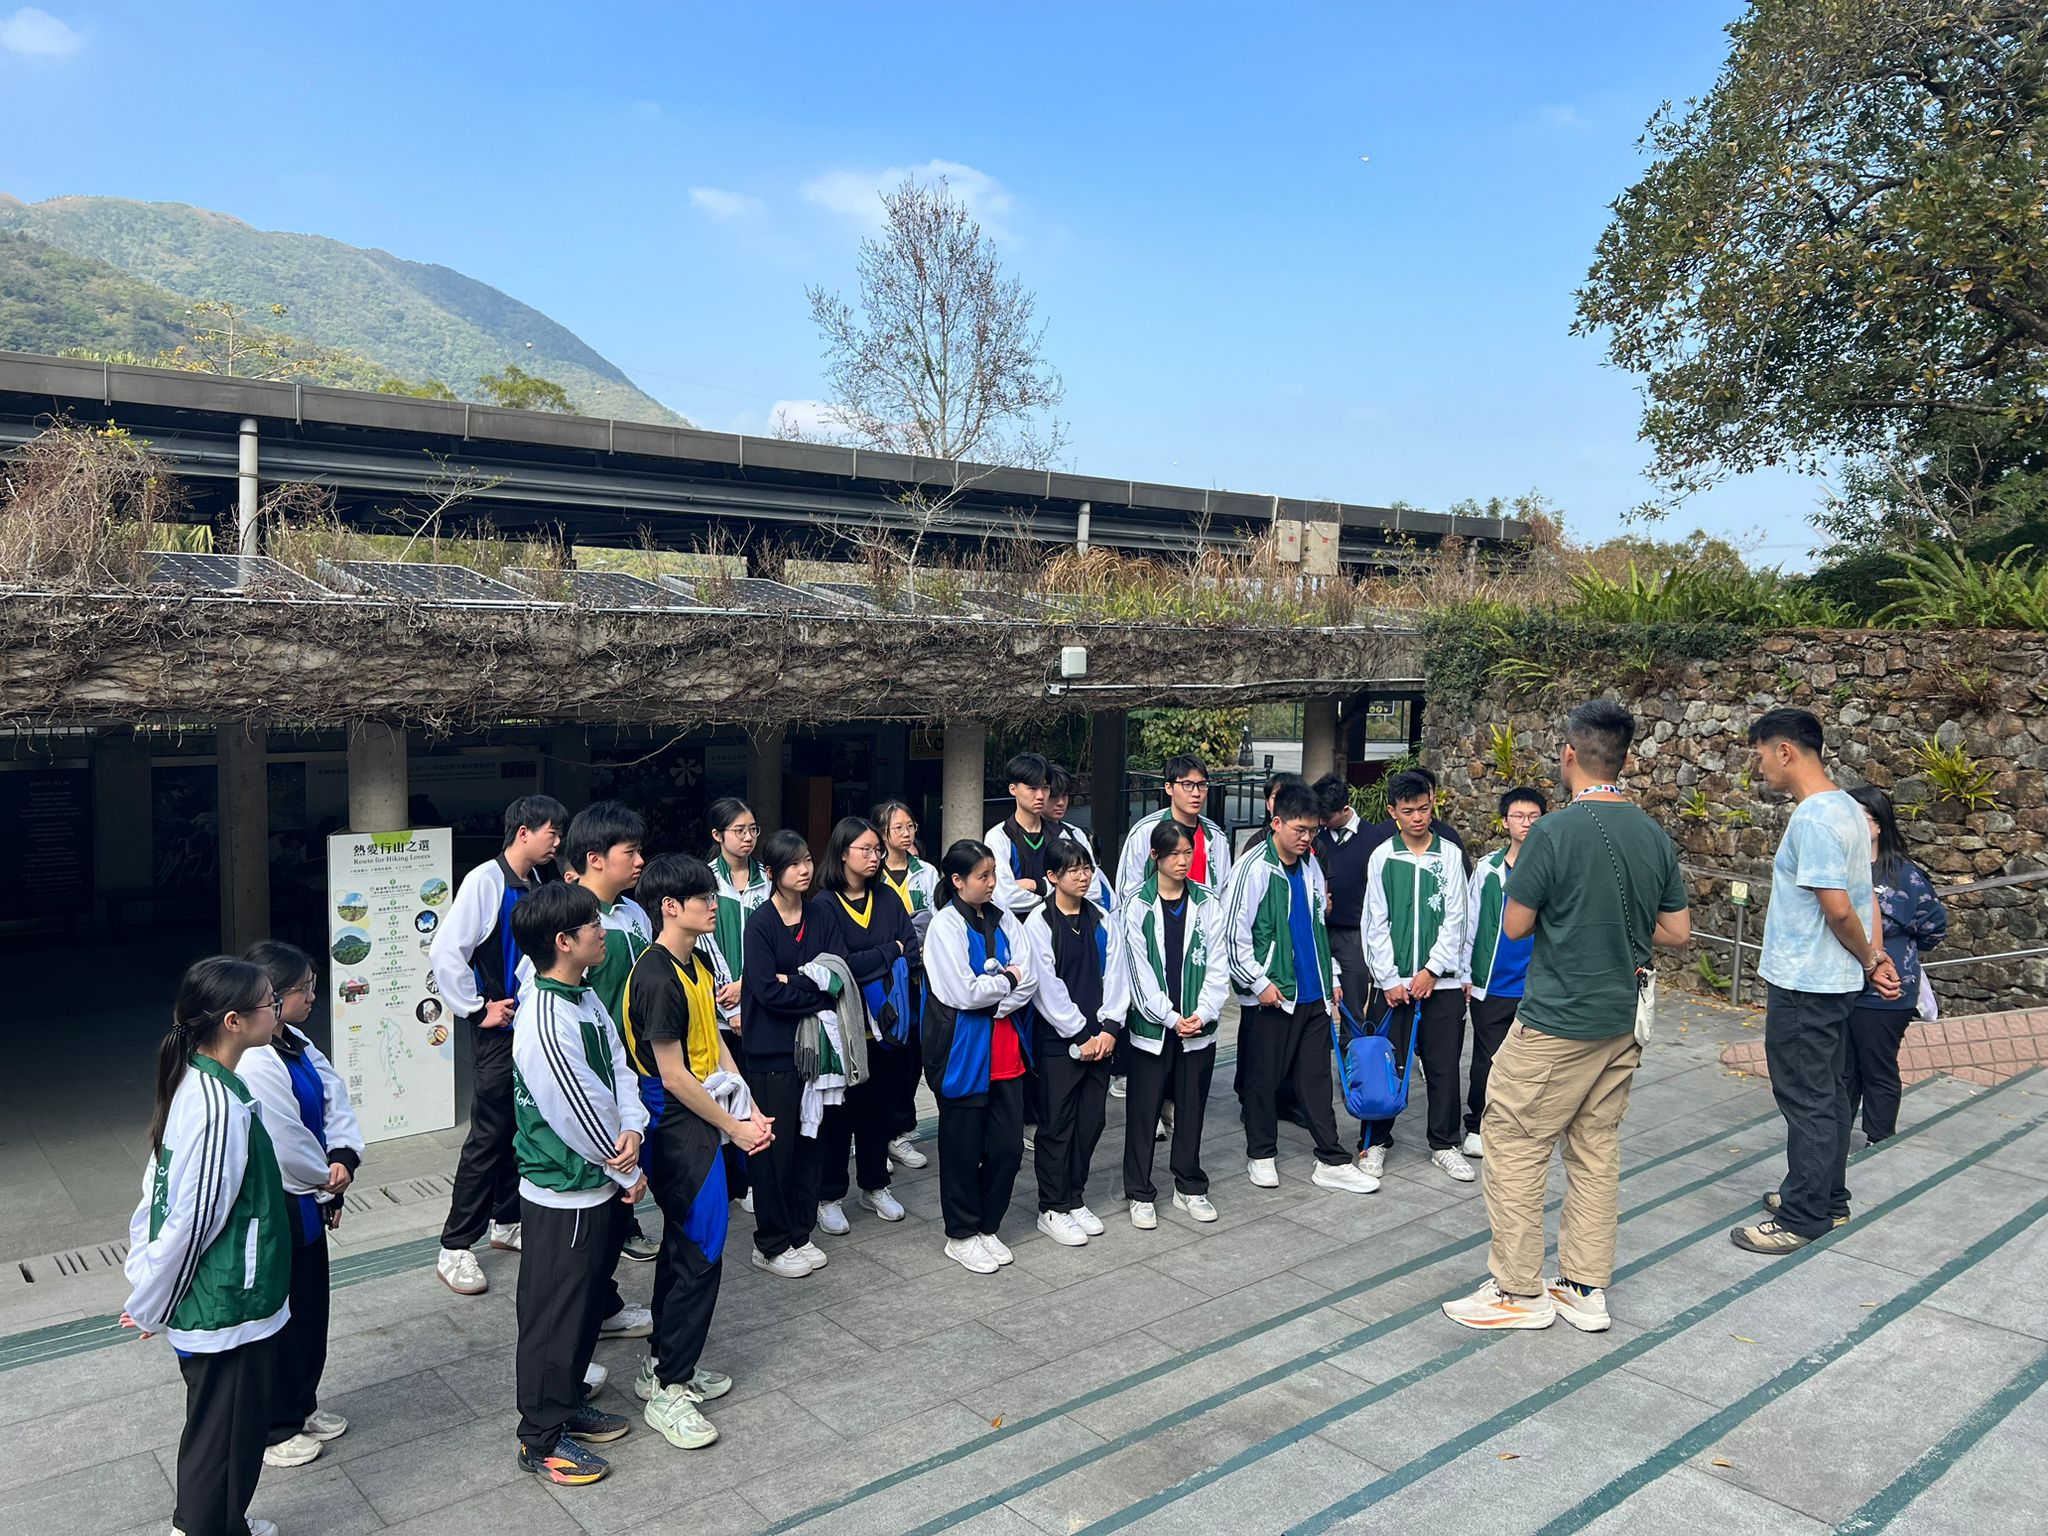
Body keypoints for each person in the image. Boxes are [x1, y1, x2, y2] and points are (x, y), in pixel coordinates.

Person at [1443, 700, 1691, 1332]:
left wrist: (1574, 914)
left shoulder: (1552, 833)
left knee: (1512, 1140)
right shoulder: (1652, 834)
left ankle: (1518, 1291)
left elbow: (1516, 926)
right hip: (1622, 1018)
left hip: (1557, 1016)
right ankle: (1582, 1285)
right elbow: (1677, 931)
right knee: (1595, 1147)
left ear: (1569, 754)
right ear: (1625, 758)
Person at [121, 957, 292, 1536]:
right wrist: (153, 1301)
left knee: (221, 1430)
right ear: (233, 1021)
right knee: (224, 1436)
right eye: (269, 1002)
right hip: (226, 1299)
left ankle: (215, 1524)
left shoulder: (198, 1080)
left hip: (220, 1293)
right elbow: (192, 1221)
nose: (277, 1010)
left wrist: (149, 1283)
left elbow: (157, 1191)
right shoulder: (217, 1105)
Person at [618, 853, 774, 1452]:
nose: (714, 905)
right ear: (670, 906)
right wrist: (734, 1127)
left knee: (689, 1247)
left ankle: (664, 1365)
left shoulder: (697, 963)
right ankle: (668, 1389)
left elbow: (716, 1047)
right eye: (703, 897)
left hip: (706, 1112)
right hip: (677, 1126)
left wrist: (748, 1108)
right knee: (701, 1249)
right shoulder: (656, 976)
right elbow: (673, 1075)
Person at [1732, 709, 1902, 1255]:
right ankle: (1827, 1198)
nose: (1759, 766)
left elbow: (1839, 909)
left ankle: (1803, 1216)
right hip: (1832, 980)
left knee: (1806, 1097)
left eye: (1760, 754)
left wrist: (1871, 958)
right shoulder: (1850, 808)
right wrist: (1872, 959)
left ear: (1784, 751)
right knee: (1827, 1092)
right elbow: (1862, 896)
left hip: (1807, 981)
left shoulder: (1814, 818)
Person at [508, 881, 647, 1486]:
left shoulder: (583, 995)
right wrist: (627, 1166)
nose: (601, 930)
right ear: (563, 942)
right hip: (565, 1191)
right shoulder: (546, 1017)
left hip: (600, 1178)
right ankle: (541, 1438)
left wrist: (634, 1127)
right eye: (592, 923)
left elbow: (618, 1067)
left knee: (584, 1305)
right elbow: (576, 1109)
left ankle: (565, 1405)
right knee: (553, 1316)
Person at [430, 793, 566, 1296]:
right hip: (499, 1031)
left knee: (518, 1125)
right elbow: (446, 950)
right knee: (487, 1136)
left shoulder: (536, 882)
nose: (557, 842)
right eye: (552, 832)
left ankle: (507, 1223)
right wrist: (475, 1008)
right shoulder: (485, 880)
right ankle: (454, 1246)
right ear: (523, 831)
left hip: (530, 1028)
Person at [241, 940, 363, 1471]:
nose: (312, 997)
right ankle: (275, 1426)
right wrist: (325, 1179)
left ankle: (302, 1403)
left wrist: (344, 1158)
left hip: (311, 1196)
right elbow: (284, 1141)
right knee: (281, 1317)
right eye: (303, 989)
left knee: (312, 1311)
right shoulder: (255, 1059)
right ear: (270, 997)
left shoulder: (295, 1041)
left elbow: (334, 1098)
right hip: (280, 1204)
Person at [1225, 781, 1376, 1194]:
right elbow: (1232, 936)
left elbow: (1316, 927)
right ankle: (1261, 1154)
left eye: (1313, 830)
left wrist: (1332, 977)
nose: (1308, 838)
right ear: (1277, 823)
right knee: (1262, 1079)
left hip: (1313, 994)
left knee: (1316, 1079)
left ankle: (1331, 1158)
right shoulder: (1253, 868)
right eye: (1300, 830)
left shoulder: (1310, 865)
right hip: (1272, 996)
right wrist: (1259, 983)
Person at [924, 838, 1040, 1273]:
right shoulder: (945, 926)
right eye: (983, 876)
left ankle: (988, 1226)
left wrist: (998, 998)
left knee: (1008, 1148)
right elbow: (961, 992)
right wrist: (1005, 984)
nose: (992, 883)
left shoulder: (1004, 916)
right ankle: (961, 1233)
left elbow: (1029, 976)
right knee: (961, 1149)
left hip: (1006, 1050)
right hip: (963, 1052)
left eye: (993, 874)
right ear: (957, 881)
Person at [561, 801, 661, 1279]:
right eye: (631, 852)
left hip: (634, 1061)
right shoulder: (569, 918)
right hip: (594, 1065)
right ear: (595, 859)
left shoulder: (634, 912)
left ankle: (622, 1232)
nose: (640, 861)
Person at [1361, 768, 1473, 1183]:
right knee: (1385, 1067)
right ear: (1393, 812)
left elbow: (1457, 919)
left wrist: (1431, 970)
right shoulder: (1382, 857)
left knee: (1443, 1067)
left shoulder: (1450, 855)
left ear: (1433, 804)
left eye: (1424, 809)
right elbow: (1374, 922)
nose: (1418, 818)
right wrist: (1389, 979)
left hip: (1441, 984)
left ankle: (1444, 1144)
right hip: (1393, 988)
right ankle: (1375, 1141)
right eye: (1408, 811)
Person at [1122, 817, 1231, 1228]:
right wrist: (1169, 1017)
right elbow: (1138, 973)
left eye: (1188, 853)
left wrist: (1203, 1013)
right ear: (1155, 856)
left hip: (1198, 1028)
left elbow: (1218, 966)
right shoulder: (1137, 904)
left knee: (1191, 1108)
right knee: (1144, 1111)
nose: (1183, 861)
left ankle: (1189, 1186)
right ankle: (1139, 1191)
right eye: (1174, 854)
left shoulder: (1208, 902)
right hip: (1154, 1030)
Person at [740, 830, 839, 1277]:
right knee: (774, 1150)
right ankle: (771, 1242)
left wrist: (793, 980)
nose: (804, 870)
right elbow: (765, 991)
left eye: (807, 861)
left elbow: (836, 977)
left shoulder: (820, 915)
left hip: (817, 1050)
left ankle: (800, 1232)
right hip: (772, 1052)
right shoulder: (760, 923)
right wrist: (810, 987)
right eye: (794, 863)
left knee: (810, 1143)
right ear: (771, 872)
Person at [813, 816, 918, 1232]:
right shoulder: (824, 905)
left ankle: (875, 1185)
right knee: (838, 1117)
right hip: (845, 1030)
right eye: (866, 850)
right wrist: (887, 952)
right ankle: (829, 1195)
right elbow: (839, 966)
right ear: (843, 854)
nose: (875, 857)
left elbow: (911, 949)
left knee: (879, 1112)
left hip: (888, 1030)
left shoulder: (887, 897)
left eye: (877, 849)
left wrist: (879, 957)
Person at [1021, 837, 1128, 1245]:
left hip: (1101, 1039)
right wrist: (1081, 1034)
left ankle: (1074, 1196)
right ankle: (1052, 1206)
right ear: (1052, 876)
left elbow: (1117, 975)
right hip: (1059, 1042)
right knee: (1057, 1124)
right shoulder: (1039, 923)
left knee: (1091, 1122)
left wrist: (1110, 1028)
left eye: (1087, 868)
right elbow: (1046, 988)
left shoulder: (1101, 918)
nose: (1083, 877)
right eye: (1073, 870)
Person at [1843, 786, 1947, 1144]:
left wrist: (1898, 951)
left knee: (1877, 1064)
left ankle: (1879, 1137)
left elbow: (1934, 927)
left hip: (1886, 989)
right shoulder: (1839, 867)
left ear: (1879, 824)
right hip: (1840, 983)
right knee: (1842, 1068)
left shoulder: (1904, 875)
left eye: (1859, 817)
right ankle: (1834, 1136)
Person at [1462, 788, 1546, 1157]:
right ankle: (1477, 1126)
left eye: (1533, 816)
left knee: (1533, 1062)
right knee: (1488, 1058)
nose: (1526, 823)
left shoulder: (1551, 868)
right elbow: (1470, 921)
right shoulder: (1488, 869)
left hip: (1538, 984)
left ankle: (1522, 1126)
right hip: (1493, 982)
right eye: (1518, 816)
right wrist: (1466, 972)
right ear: (1504, 822)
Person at [708, 797, 767, 1208]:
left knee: (756, 1092)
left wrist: (748, 986)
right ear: (717, 835)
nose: (747, 838)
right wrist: (731, 1004)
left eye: (752, 829)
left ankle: (753, 1177)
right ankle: (732, 1182)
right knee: (726, 1091)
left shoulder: (768, 878)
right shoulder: (707, 881)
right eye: (738, 830)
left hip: (762, 1001)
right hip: (720, 1008)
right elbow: (704, 942)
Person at [873, 798, 937, 1171]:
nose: (907, 832)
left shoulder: (926, 872)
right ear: (882, 832)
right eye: (898, 827)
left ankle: (900, 1133)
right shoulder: (873, 874)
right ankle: (877, 1135)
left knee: (912, 1055)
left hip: (918, 976)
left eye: (910, 826)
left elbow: (935, 918)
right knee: (885, 1053)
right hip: (882, 978)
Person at [1312, 772, 1371, 1060]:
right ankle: (1315, 1064)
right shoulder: (1314, 839)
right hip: (1318, 931)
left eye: (1326, 817)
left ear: (1344, 809)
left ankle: (1354, 1066)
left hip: (1354, 935)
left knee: (1353, 1003)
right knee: (1316, 1003)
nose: (1321, 823)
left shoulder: (1373, 839)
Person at [1117, 753, 1230, 900]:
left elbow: (1226, 892)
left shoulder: (1216, 836)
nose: (1196, 793)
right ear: (1169, 788)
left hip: (1204, 913)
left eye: (1202, 785)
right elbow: (1127, 891)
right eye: (1187, 785)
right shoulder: (1144, 831)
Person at [987, 752, 1058, 916]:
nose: (1040, 796)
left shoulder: (1063, 835)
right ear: (1013, 789)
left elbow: (1081, 886)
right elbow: (1005, 897)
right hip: (1015, 925)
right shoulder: (999, 836)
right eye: (1032, 788)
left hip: (1058, 927)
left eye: (1045, 788)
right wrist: (1053, 894)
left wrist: (1036, 885)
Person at [1047, 762, 1118, 910]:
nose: (1061, 803)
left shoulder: (1076, 834)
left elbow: (1093, 890)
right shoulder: (1013, 837)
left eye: (1064, 795)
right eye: (1053, 797)